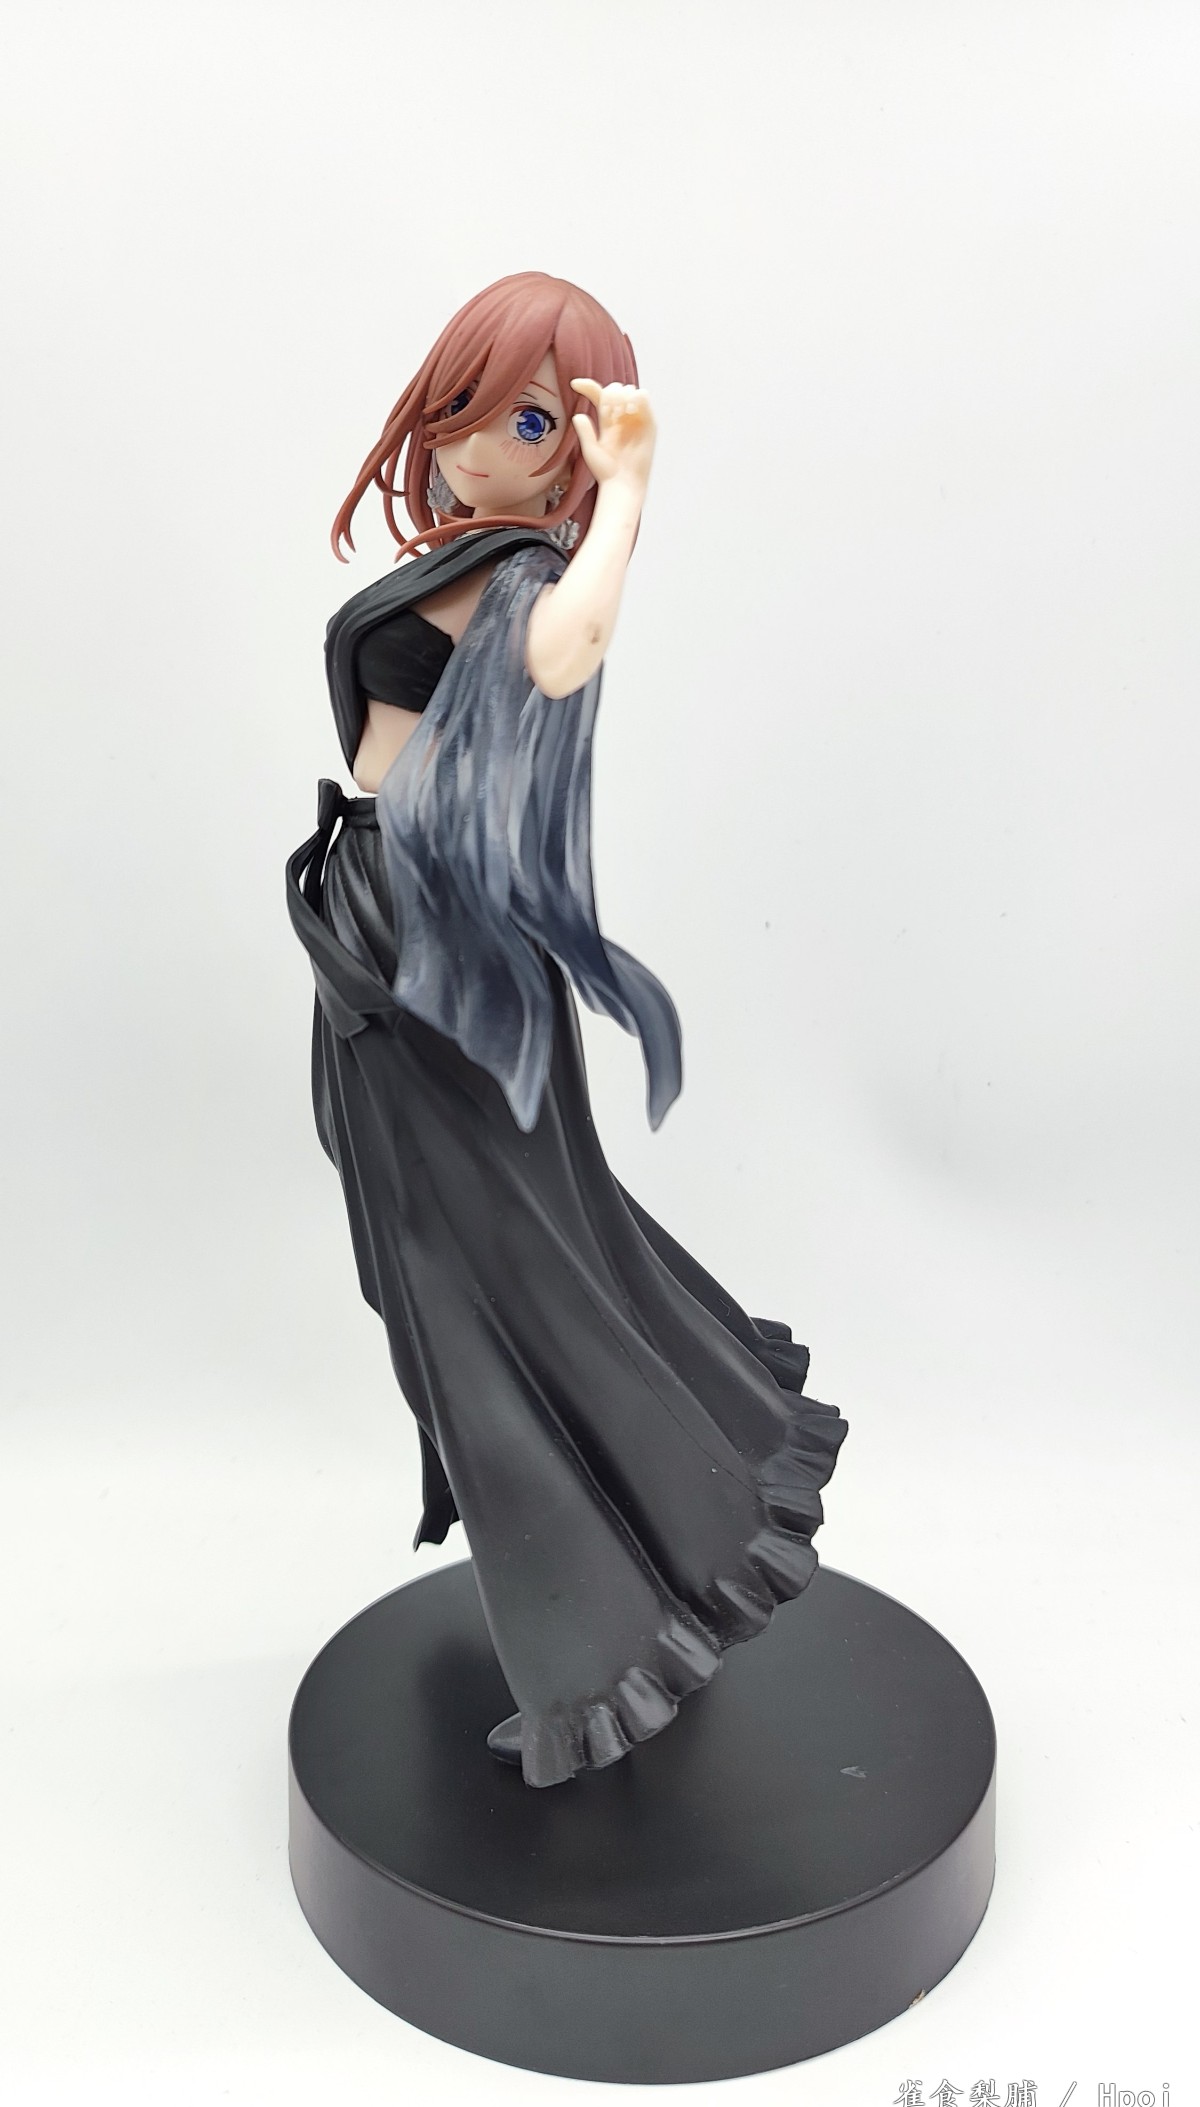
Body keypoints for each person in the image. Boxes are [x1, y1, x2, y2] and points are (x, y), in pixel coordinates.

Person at [285, 271, 848, 1789]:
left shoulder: (536, 572)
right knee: (470, 1269)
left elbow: (566, 648)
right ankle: (615, 1565)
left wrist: (630, 501)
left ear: (576, 448)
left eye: (530, 422)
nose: (481, 443)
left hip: (444, 954)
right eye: (466, 407)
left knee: (507, 1282)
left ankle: (609, 1635)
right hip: (387, 927)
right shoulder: (472, 554)